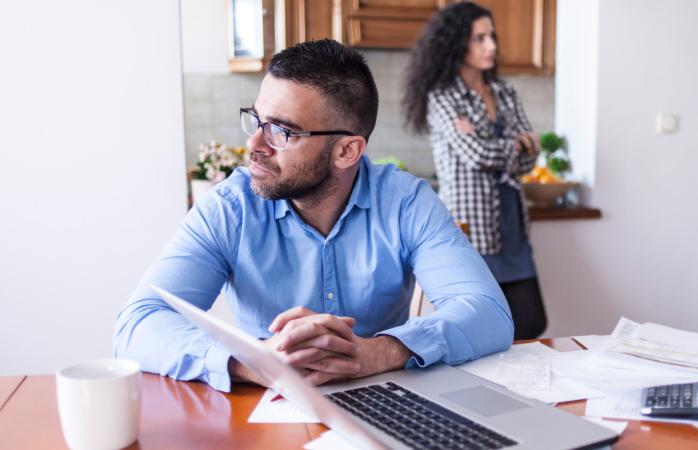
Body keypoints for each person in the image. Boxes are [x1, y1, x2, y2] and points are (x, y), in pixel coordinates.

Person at [113, 39, 513, 392]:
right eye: (256, 120)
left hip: (385, 399)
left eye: (281, 132)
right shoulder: (229, 208)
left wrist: (376, 352)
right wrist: (256, 362)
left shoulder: (406, 202)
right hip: (265, 410)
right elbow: (138, 323)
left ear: (347, 152)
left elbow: (488, 312)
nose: (254, 144)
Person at [403, 2, 547, 339]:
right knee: (479, 322)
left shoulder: (505, 93)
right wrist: (518, 144)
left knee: (531, 319)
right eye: (479, 38)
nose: (492, 46)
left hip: (510, 219)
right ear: (456, 43)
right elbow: (477, 154)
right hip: (469, 223)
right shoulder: (442, 96)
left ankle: (517, 384)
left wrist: (513, 147)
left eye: (492, 37)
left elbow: (528, 159)